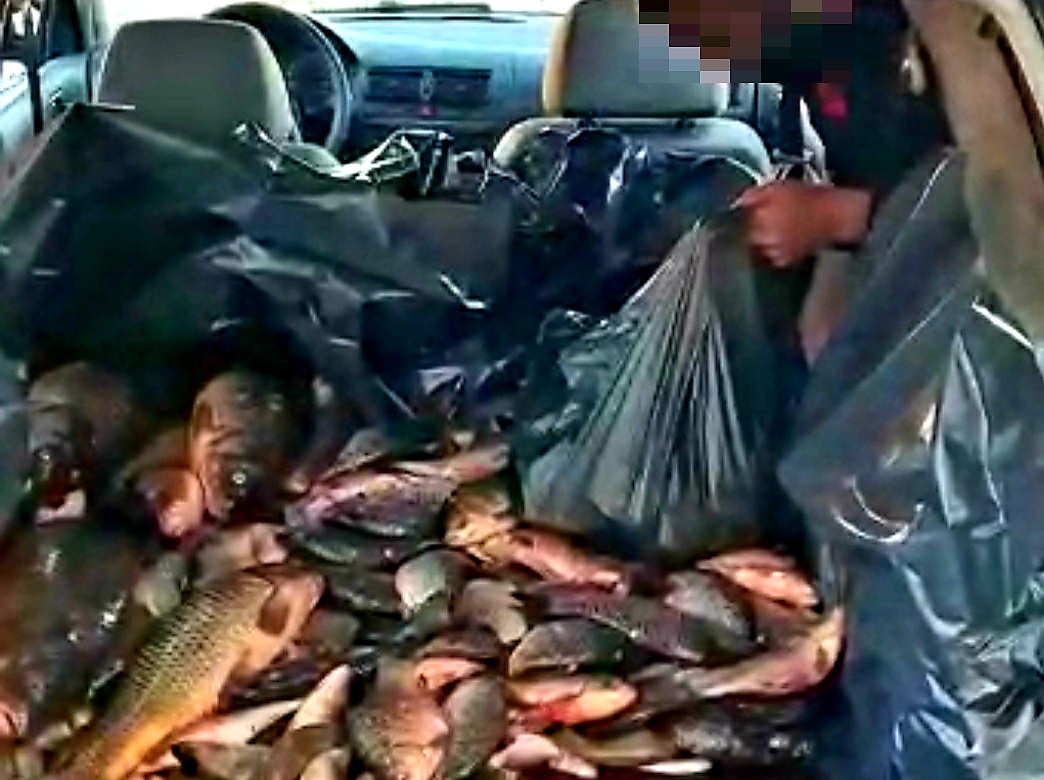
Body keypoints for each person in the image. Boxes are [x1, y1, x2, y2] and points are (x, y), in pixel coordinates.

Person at [671, 0, 952, 355]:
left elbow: (979, 197)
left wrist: (838, 216)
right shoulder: (818, 33)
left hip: (945, 281)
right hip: (873, 236)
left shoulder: (951, 40)